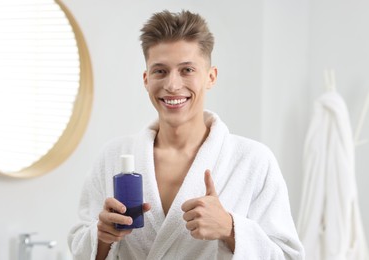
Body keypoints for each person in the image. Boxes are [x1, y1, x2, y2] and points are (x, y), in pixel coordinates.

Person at [68, 10, 305, 260]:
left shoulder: (253, 161)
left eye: (187, 70)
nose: (172, 85)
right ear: (146, 80)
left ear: (210, 77)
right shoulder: (113, 156)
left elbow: (289, 256)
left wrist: (230, 228)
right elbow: (80, 248)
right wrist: (102, 236)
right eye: (160, 71)